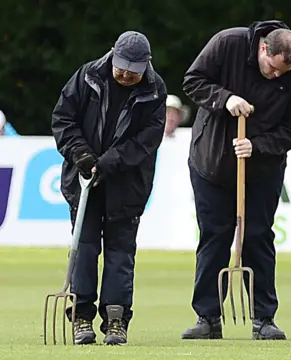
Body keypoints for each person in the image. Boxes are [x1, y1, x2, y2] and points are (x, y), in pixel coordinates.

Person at [180, 20, 291, 341]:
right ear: (263, 48)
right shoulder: (227, 44)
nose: (277, 75)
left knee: (257, 237)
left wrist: (259, 147)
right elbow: (193, 81)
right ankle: (208, 317)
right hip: (211, 161)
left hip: (262, 170)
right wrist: (225, 98)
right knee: (214, 237)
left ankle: (264, 318)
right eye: (273, 67)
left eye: (285, 71)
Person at [51, 30, 167, 345]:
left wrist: (108, 163)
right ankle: (82, 317)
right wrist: (81, 154)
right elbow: (63, 119)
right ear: (112, 53)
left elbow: (147, 139)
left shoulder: (155, 91)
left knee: (120, 254)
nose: (126, 75)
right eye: (121, 68)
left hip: (127, 185)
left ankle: (116, 319)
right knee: (85, 250)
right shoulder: (87, 76)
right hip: (83, 181)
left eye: (134, 70)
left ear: (147, 64)